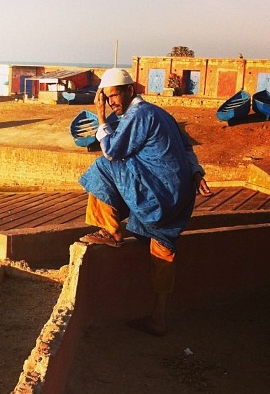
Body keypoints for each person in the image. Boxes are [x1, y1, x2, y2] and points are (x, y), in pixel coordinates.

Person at [79, 67, 211, 336]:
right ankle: (158, 318)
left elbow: (112, 151)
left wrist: (101, 117)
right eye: (106, 98)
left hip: (158, 197)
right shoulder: (161, 113)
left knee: (101, 167)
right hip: (178, 201)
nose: (111, 102)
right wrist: (196, 172)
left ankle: (110, 230)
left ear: (129, 90)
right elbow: (187, 148)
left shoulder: (139, 114)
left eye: (114, 96)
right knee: (163, 250)